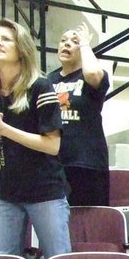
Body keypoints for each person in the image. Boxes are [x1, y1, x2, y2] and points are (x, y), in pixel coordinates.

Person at [0, 18, 70, 258]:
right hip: (5, 191)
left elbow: (52, 146)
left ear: (21, 48)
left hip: (45, 189)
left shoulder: (41, 87)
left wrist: (3, 129)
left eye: (5, 39)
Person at [48, 23, 110, 206]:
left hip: (87, 163)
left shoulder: (92, 75)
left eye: (73, 42)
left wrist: (84, 44)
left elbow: (92, 72)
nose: (66, 44)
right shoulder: (48, 81)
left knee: (90, 225)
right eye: (63, 41)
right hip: (55, 164)